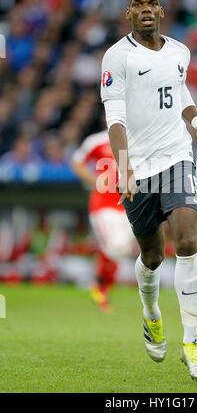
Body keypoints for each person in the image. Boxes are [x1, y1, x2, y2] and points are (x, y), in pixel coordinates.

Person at [100, 0, 197, 381]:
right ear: (128, 13)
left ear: (162, 11)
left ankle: (193, 343)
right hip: (140, 169)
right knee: (153, 256)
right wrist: (124, 168)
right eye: (137, 5)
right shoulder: (117, 57)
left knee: (187, 241)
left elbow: (179, 88)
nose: (145, 10)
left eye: (152, 4)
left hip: (177, 158)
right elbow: (115, 118)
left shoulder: (179, 51)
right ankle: (151, 314)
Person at [71, 130, 135, 312]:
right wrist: (94, 180)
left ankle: (101, 285)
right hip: (103, 205)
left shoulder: (136, 139)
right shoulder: (96, 140)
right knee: (117, 246)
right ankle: (100, 288)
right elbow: (77, 162)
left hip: (127, 205)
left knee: (122, 250)